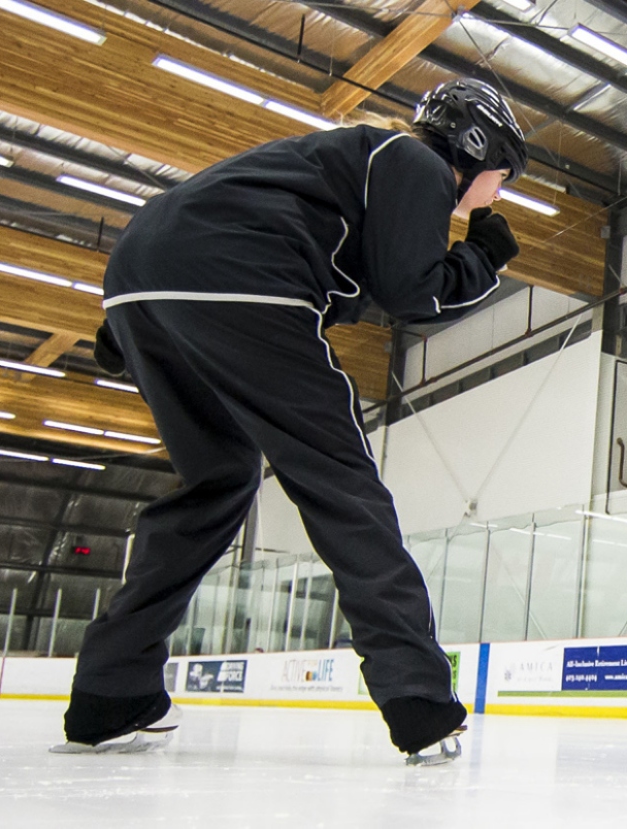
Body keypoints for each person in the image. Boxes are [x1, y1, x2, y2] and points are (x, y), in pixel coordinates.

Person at [59, 78, 529, 766]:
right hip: (239, 280)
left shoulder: (348, 162)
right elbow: (411, 291)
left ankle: (110, 690)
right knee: (343, 486)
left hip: (142, 280)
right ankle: (419, 698)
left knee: (218, 480)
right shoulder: (416, 161)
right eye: (501, 179)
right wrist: (482, 256)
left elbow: (349, 274)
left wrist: (139, 326)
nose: (494, 195)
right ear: (476, 148)